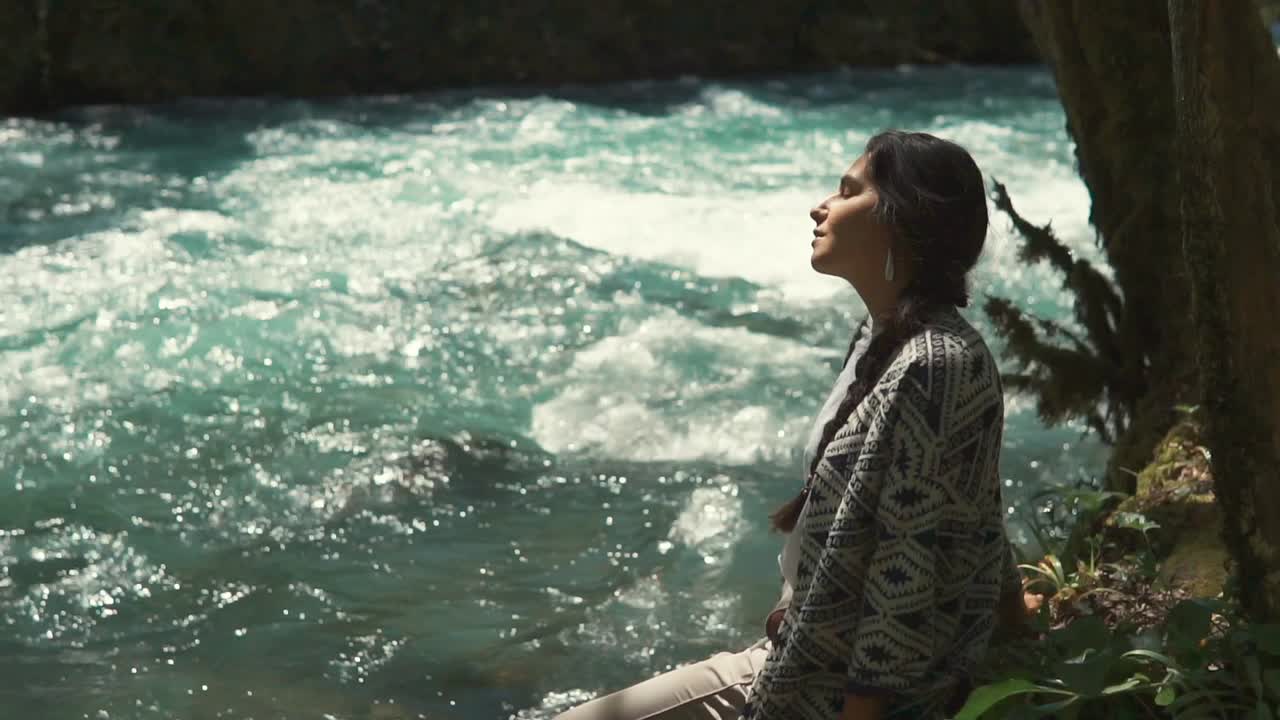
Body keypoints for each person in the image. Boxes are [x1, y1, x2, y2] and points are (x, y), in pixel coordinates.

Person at [552, 130, 1035, 720]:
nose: (820, 206)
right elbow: (974, 503)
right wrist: (1015, 613)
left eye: (848, 190)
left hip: (828, 690)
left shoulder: (935, 364)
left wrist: (863, 711)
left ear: (899, 219)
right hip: (802, 654)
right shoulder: (884, 338)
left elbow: (903, 569)